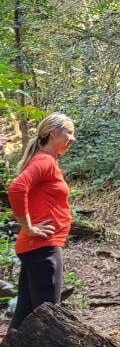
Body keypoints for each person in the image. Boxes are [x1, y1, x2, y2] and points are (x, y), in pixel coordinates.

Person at [6, 112, 76, 331]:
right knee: (48, 320)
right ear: (54, 133)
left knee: (25, 316)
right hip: (43, 248)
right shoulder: (44, 161)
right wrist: (28, 226)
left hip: (36, 248)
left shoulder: (44, 161)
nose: (72, 138)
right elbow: (17, 188)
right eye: (69, 133)